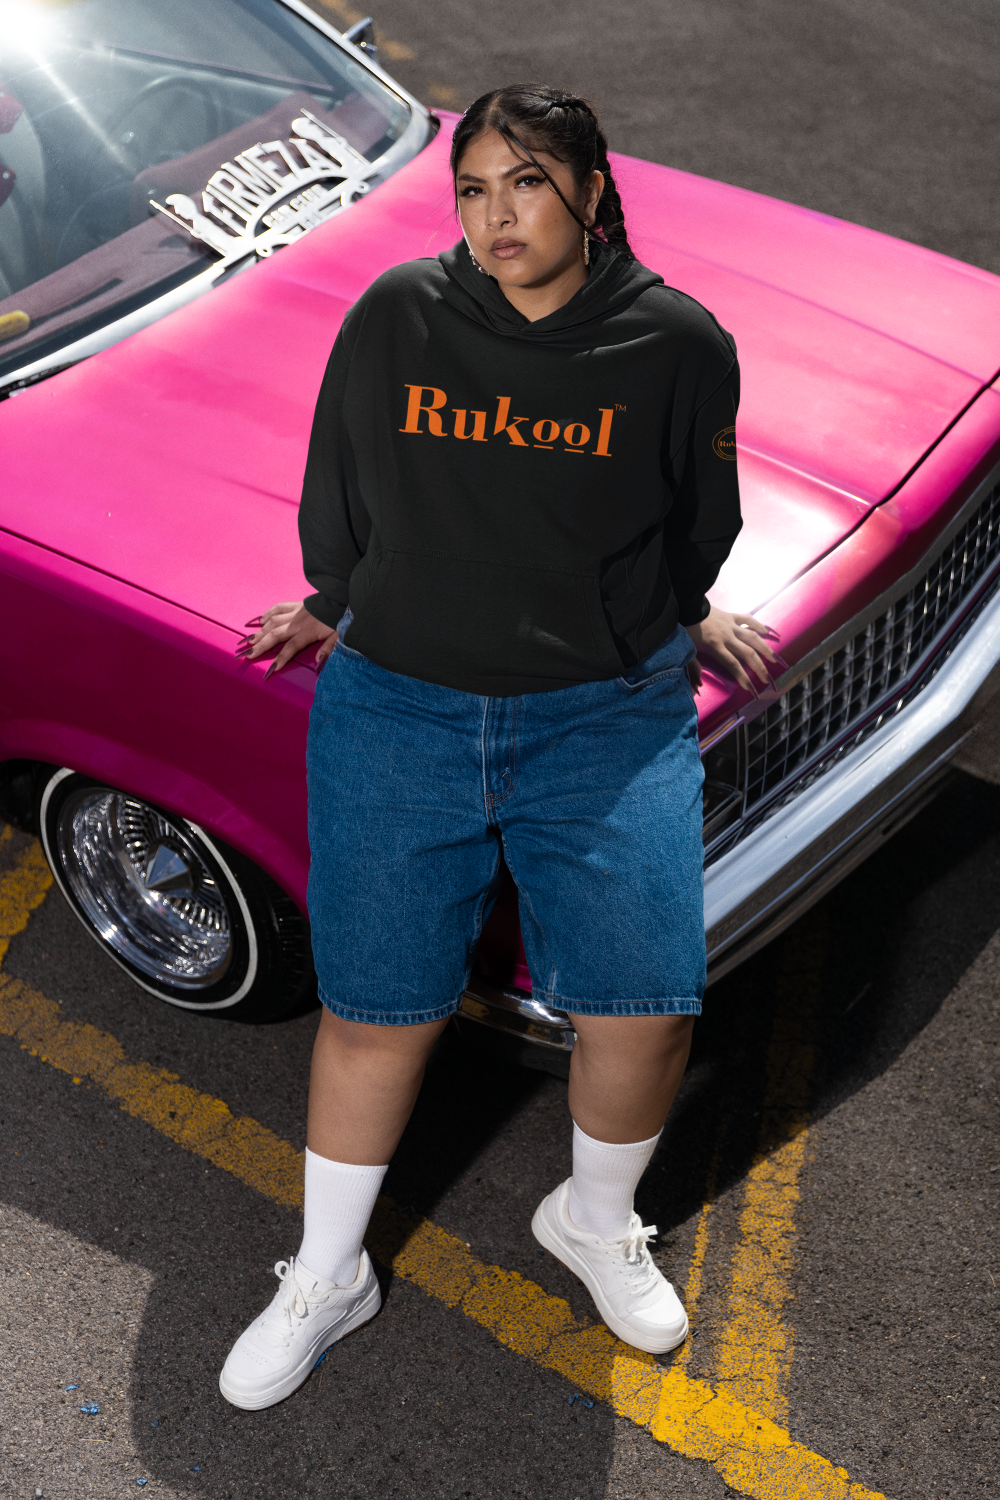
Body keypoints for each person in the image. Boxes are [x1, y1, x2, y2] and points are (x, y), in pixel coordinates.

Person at [219, 83, 776, 1411]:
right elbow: (341, 477)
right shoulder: (399, 315)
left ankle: (594, 1220)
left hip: (604, 719)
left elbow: (696, 515)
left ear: (591, 190)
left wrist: (675, 612)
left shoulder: (677, 342)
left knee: (645, 1008)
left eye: (525, 182)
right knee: (377, 1014)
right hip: (398, 711)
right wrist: (334, 597)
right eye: (472, 189)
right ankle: (329, 1274)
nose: (495, 215)